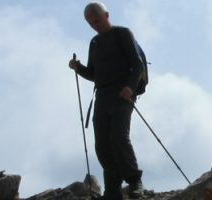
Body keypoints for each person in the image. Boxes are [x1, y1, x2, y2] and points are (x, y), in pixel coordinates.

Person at [68, 2, 145, 199]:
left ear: (107, 15)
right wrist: (79, 68)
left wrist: (130, 87)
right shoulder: (94, 43)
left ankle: (135, 180)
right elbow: (94, 74)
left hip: (123, 93)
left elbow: (137, 63)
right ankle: (112, 190)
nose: (95, 25)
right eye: (91, 23)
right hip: (102, 95)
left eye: (97, 20)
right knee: (102, 144)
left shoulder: (123, 33)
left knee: (119, 136)